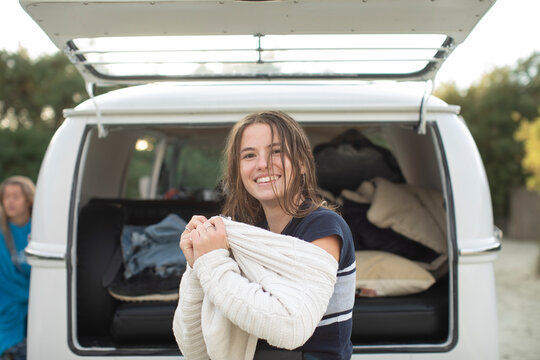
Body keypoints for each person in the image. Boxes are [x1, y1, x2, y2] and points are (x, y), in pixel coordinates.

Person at [174, 111, 356, 359]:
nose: (262, 164)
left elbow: (292, 328)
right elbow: (194, 347)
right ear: (238, 170)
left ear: (302, 162)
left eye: (276, 151)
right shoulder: (250, 235)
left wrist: (213, 261)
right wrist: (197, 266)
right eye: (249, 155)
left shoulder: (323, 226)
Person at [0, 176, 35, 360]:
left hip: (41, 301)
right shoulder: (1, 233)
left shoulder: (42, 228)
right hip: (10, 304)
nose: (10, 202)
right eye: (6, 197)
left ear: (29, 199)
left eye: (16, 196)